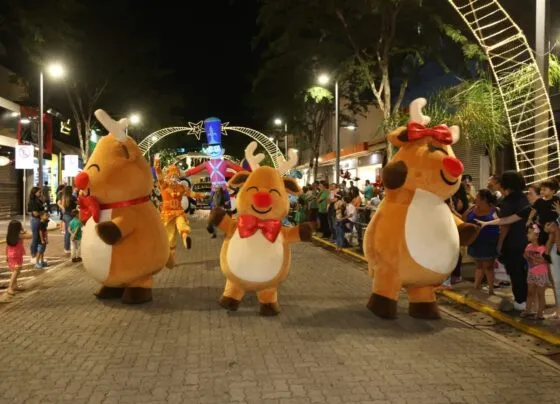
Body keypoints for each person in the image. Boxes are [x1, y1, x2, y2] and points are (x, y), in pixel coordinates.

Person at [464, 189, 500, 294]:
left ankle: (491, 289)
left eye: (478, 197)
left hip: (489, 242)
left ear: (484, 199)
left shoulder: (495, 210)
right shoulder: (472, 209)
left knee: (489, 266)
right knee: (479, 265)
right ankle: (476, 286)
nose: (475, 199)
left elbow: (502, 224)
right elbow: (463, 219)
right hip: (475, 241)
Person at [521, 225, 549, 320]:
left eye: (529, 232)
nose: (527, 235)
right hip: (531, 273)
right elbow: (525, 256)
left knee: (541, 294)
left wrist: (531, 257)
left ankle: (540, 313)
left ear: (537, 235)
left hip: (541, 274)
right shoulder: (528, 246)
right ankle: (527, 310)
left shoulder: (542, 248)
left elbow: (542, 260)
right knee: (530, 292)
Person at [4, 220, 31, 297]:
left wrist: (6, 256)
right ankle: (10, 287)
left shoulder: (10, 235)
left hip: (12, 254)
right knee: (16, 271)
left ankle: (15, 286)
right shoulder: (19, 235)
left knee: (15, 270)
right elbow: (31, 235)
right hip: (16, 255)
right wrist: (24, 230)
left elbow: (7, 246)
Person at [27, 186, 45, 265]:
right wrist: (43, 215)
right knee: (35, 238)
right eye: (39, 192)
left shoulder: (38, 200)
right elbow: (35, 213)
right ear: (34, 193)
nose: (40, 193)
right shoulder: (32, 201)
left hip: (39, 220)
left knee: (38, 238)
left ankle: (37, 254)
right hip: (35, 220)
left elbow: (42, 208)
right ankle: (33, 255)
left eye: (41, 192)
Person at [58, 185, 77, 255]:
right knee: (70, 232)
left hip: (65, 215)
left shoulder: (64, 197)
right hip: (70, 216)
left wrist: (63, 208)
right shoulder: (73, 197)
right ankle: (68, 248)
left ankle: (67, 248)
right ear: (71, 190)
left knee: (67, 232)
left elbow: (58, 203)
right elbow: (78, 203)